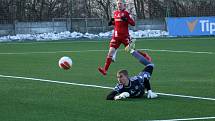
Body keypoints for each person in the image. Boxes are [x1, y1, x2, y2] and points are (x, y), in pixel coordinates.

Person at [98, 0, 136, 76]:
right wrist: (111, 22)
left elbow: (133, 23)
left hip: (125, 36)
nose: (119, 5)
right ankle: (105, 70)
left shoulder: (126, 13)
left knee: (132, 52)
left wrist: (126, 19)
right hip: (116, 37)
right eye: (118, 3)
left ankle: (145, 56)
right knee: (110, 52)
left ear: (124, 5)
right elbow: (117, 24)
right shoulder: (115, 13)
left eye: (120, 3)